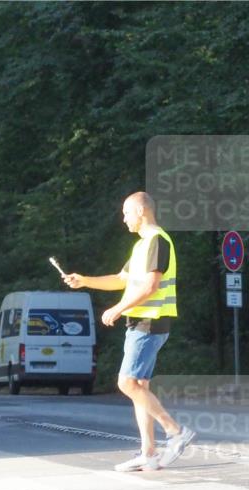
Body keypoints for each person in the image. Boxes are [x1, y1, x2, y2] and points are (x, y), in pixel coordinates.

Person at [64, 191, 196, 471]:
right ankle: (148, 453)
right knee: (139, 387)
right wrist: (84, 280)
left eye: (126, 213)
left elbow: (151, 286)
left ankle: (176, 432)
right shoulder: (142, 246)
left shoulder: (158, 241)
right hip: (141, 322)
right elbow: (120, 279)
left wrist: (118, 308)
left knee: (127, 383)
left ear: (141, 211)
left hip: (150, 321)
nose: (123, 219)